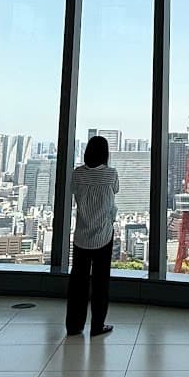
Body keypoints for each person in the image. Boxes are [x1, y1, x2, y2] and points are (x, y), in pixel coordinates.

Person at [66, 136, 120, 337]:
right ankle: (97, 325)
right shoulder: (110, 174)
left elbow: (74, 193)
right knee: (100, 283)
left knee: (78, 282)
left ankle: (74, 325)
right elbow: (115, 191)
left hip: (81, 235)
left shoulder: (77, 174)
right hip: (103, 235)